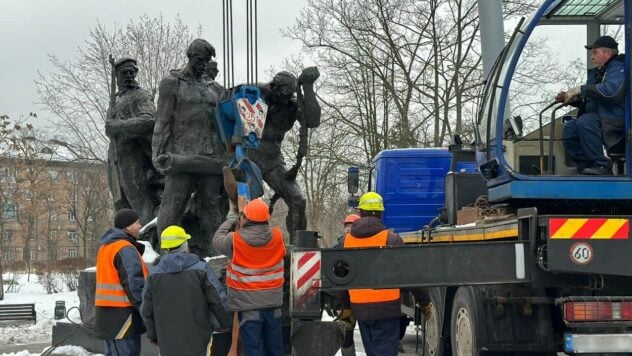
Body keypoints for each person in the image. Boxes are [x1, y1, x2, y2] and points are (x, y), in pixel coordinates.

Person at [153, 39, 228, 256]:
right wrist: (157, 152)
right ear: (190, 57)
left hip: (211, 157)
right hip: (182, 155)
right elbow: (162, 121)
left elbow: (228, 118)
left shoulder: (215, 88)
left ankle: (216, 255)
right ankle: (166, 253)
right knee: (173, 205)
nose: (203, 65)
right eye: (199, 60)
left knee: (211, 206)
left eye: (206, 61)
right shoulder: (172, 83)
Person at [248, 68, 321, 240]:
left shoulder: (291, 104)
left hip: (273, 160)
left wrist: (308, 88)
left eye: (288, 95)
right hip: (247, 157)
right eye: (281, 93)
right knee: (243, 206)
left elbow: (313, 120)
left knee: (298, 201)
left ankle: (298, 246)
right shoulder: (254, 92)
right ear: (273, 86)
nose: (283, 98)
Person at [141, 225, 232, 356]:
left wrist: (153, 334)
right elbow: (218, 299)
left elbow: (146, 309)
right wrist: (225, 323)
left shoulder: (153, 275)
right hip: (198, 335)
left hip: (167, 338)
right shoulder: (201, 270)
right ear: (184, 245)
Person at [213, 198, 286, 356]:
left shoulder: (235, 240)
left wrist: (231, 220)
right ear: (267, 218)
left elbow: (217, 239)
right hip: (273, 305)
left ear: (245, 218)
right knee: (275, 349)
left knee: (253, 350)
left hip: (248, 308)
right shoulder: (278, 236)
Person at [339, 192, 403, 356]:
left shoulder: (345, 242)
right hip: (387, 310)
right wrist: (424, 303)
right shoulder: (393, 240)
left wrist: (346, 307)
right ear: (381, 214)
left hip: (361, 311)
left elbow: (339, 278)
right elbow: (409, 274)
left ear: (360, 213)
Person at [557, 35, 625, 175]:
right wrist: (573, 99)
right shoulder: (597, 73)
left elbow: (611, 92)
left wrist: (581, 89)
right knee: (570, 128)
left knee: (586, 121)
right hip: (601, 118)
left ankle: (602, 165)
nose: (591, 57)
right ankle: (586, 166)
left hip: (617, 120)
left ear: (607, 53)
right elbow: (593, 99)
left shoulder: (619, 68)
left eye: (595, 52)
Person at [105, 58, 160, 226]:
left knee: (139, 200)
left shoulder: (141, 95)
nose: (129, 76)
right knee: (120, 203)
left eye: (132, 72)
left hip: (134, 154)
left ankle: (148, 238)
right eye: (124, 73)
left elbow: (150, 120)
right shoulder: (115, 99)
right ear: (117, 76)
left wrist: (118, 126)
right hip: (115, 157)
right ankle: (129, 237)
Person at [95, 209, 148, 356]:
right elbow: (134, 285)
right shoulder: (125, 248)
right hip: (123, 317)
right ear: (127, 226)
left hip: (107, 316)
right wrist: (147, 311)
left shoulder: (106, 247)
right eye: (137, 223)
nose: (140, 225)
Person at [335, 213, 360, 356]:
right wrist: (344, 306)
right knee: (347, 335)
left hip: (361, 297)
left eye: (352, 226)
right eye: (347, 226)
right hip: (347, 301)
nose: (349, 229)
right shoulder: (340, 244)